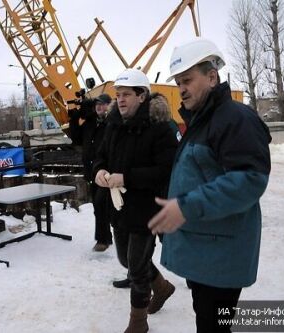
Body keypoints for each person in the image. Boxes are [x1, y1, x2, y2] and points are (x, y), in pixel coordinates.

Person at [147, 37, 272, 333]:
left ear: (212, 76)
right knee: (207, 320)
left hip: (222, 256)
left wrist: (186, 207)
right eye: (178, 82)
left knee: (213, 326)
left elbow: (249, 180)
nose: (181, 89)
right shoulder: (203, 121)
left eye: (187, 80)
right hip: (207, 252)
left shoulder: (234, 118)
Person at [94, 69, 178, 332]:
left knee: (137, 269)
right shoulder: (113, 125)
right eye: (118, 95)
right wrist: (99, 171)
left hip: (147, 210)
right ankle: (162, 287)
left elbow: (166, 169)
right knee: (126, 261)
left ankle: (138, 322)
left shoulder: (160, 128)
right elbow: (101, 156)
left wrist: (126, 178)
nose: (120, 99)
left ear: (142, 96)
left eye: (126, 94)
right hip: (119, 209)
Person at [69, 93, 113, 252]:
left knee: (102, 204)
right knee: (98, 205)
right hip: (92, 171)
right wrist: (74, 118)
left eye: (103, 104)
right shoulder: (90, 123)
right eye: (97, 105)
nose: (100, 107)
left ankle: (104, 239)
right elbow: (76, 138)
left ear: (109, 105)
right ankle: (105, 237)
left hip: (106, 171)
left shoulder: (112, 123)